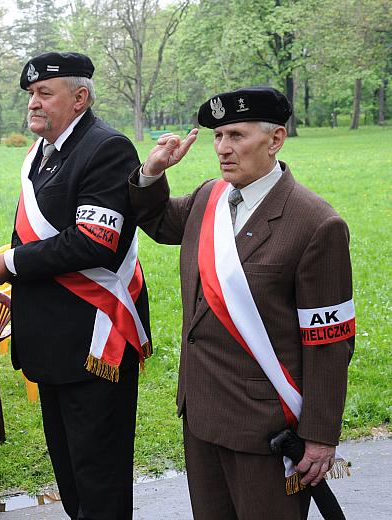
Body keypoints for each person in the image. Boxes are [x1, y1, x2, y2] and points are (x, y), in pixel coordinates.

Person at [128, 87, 354, 519]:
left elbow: (329, 339)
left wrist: (321, 436)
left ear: (275, 140)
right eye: (217, 137)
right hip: (202, 415)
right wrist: (153, 172)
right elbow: (157, 220)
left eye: (236, 135)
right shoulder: (209, 197)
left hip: (265, 426)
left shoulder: (316, 224)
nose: (223, 149)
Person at [0, 52, 152, 519]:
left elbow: (95, 241)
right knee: (72, 476)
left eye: (44, 93)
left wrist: (8, 262)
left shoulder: (105, 148)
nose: (33, 103)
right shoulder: (44, 153)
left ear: (79, 98)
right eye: (31, 94)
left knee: (99, 480)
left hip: (94, 341)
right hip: (51, 342)